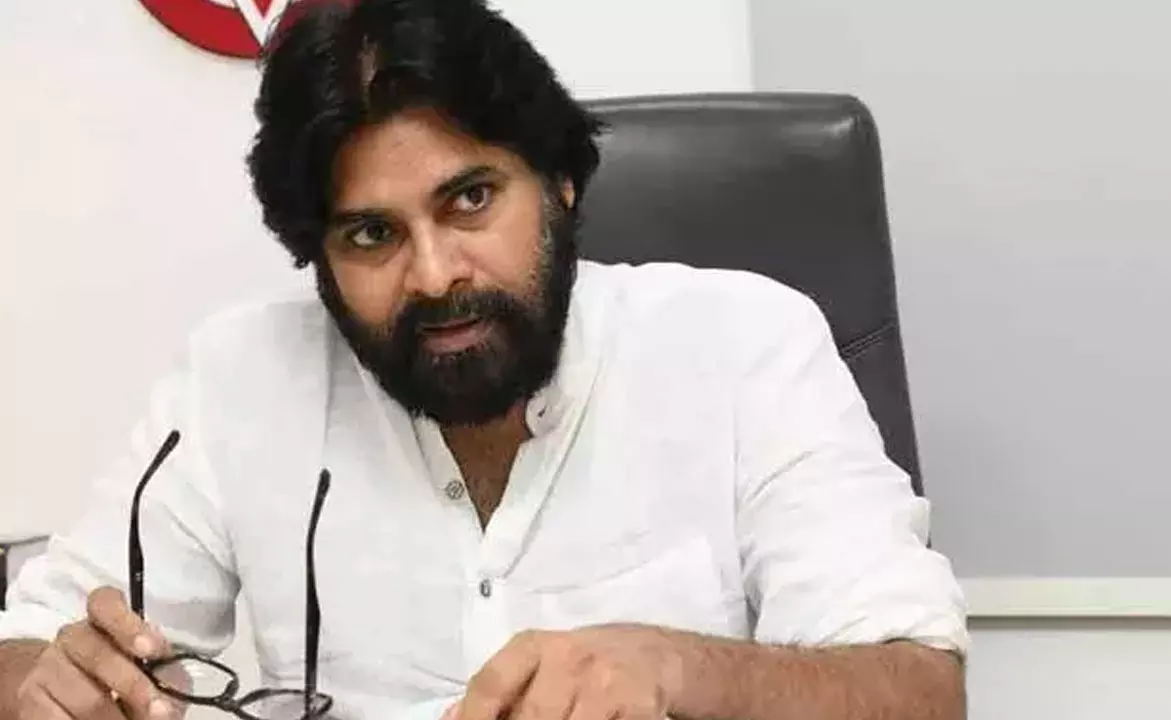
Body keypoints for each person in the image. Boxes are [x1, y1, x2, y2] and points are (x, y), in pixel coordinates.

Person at [0, 0, 969, 719]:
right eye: (371, 235)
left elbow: (919, 691)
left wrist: (675, 667)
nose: (434, 276)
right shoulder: (237, 378)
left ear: (559, 182)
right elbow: (26, 650)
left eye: (470, 201)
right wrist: (54, 681)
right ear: (319, 258)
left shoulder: (746, 344)